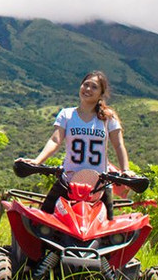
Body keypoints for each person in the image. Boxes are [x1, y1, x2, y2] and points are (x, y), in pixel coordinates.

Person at [25, 71, 133, 214]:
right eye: (85, 85)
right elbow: (55, 140)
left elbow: (119, 145)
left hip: (99, 185)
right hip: (68, 182)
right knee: (42, 221)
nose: (88, 89)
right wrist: (37, 162)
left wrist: (125, 170)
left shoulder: (108, 117)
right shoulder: (67, 114)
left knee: (107, 231)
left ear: (101, 93)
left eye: (94, 87)